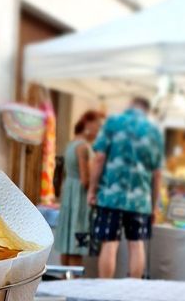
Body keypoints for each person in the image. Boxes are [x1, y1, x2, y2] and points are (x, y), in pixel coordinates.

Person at [87, 97, 164, 279]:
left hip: (110, 196)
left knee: (109, 243)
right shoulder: (154, 131)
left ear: (129, 106)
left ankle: (105, 291)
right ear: (147, 110)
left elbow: (99, 158)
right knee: (136, 244)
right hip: (141, 200)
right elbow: (157, 173)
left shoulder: (113, 122)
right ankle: (133, 291)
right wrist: (153, 206)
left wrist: (92, 189)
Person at [53, 111, 103, 267]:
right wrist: (97, 189)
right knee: (77, 240)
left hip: (69, 193)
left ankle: (64, 280)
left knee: (67, 240)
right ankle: (74, 281)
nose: (99, 130)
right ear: (88, 124)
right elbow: (85, 178)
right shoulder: (83, 147)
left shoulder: (71, 144)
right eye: (98, 125)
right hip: (79, 197)